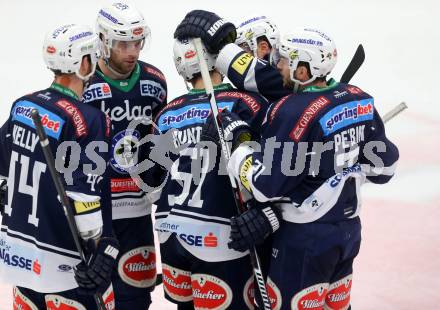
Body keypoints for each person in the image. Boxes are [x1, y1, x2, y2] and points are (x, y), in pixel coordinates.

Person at [176, 13, 400, 310]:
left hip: (304, 239)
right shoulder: (359, 99)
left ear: (303, 69)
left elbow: (265, 185)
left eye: (284, 60)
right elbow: (384, 169)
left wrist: (239, 143)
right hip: (347, 233)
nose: (277, 64)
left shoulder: (292, 112)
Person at [0, 24, 118, 309]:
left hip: (19, 260)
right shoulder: (89, 119)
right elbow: (85, 198)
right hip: (67, 267)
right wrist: (103, 251)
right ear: (83, 63)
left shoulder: (21, 106)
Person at [152, 34, 270, 309]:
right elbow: (266, 172)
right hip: (220, 237)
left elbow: (155, 177)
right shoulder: (246, 104)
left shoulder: (166, 115)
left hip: (172, 236)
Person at [83, 2, 167, 309]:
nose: (132, 52)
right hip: (92, 212)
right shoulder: (84, 83)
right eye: (123, 43)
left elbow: (160, 141)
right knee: (91, 295)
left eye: (137, 42)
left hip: (137, 211)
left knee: (135, 296)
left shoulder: (155, 82)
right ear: (103, 41)